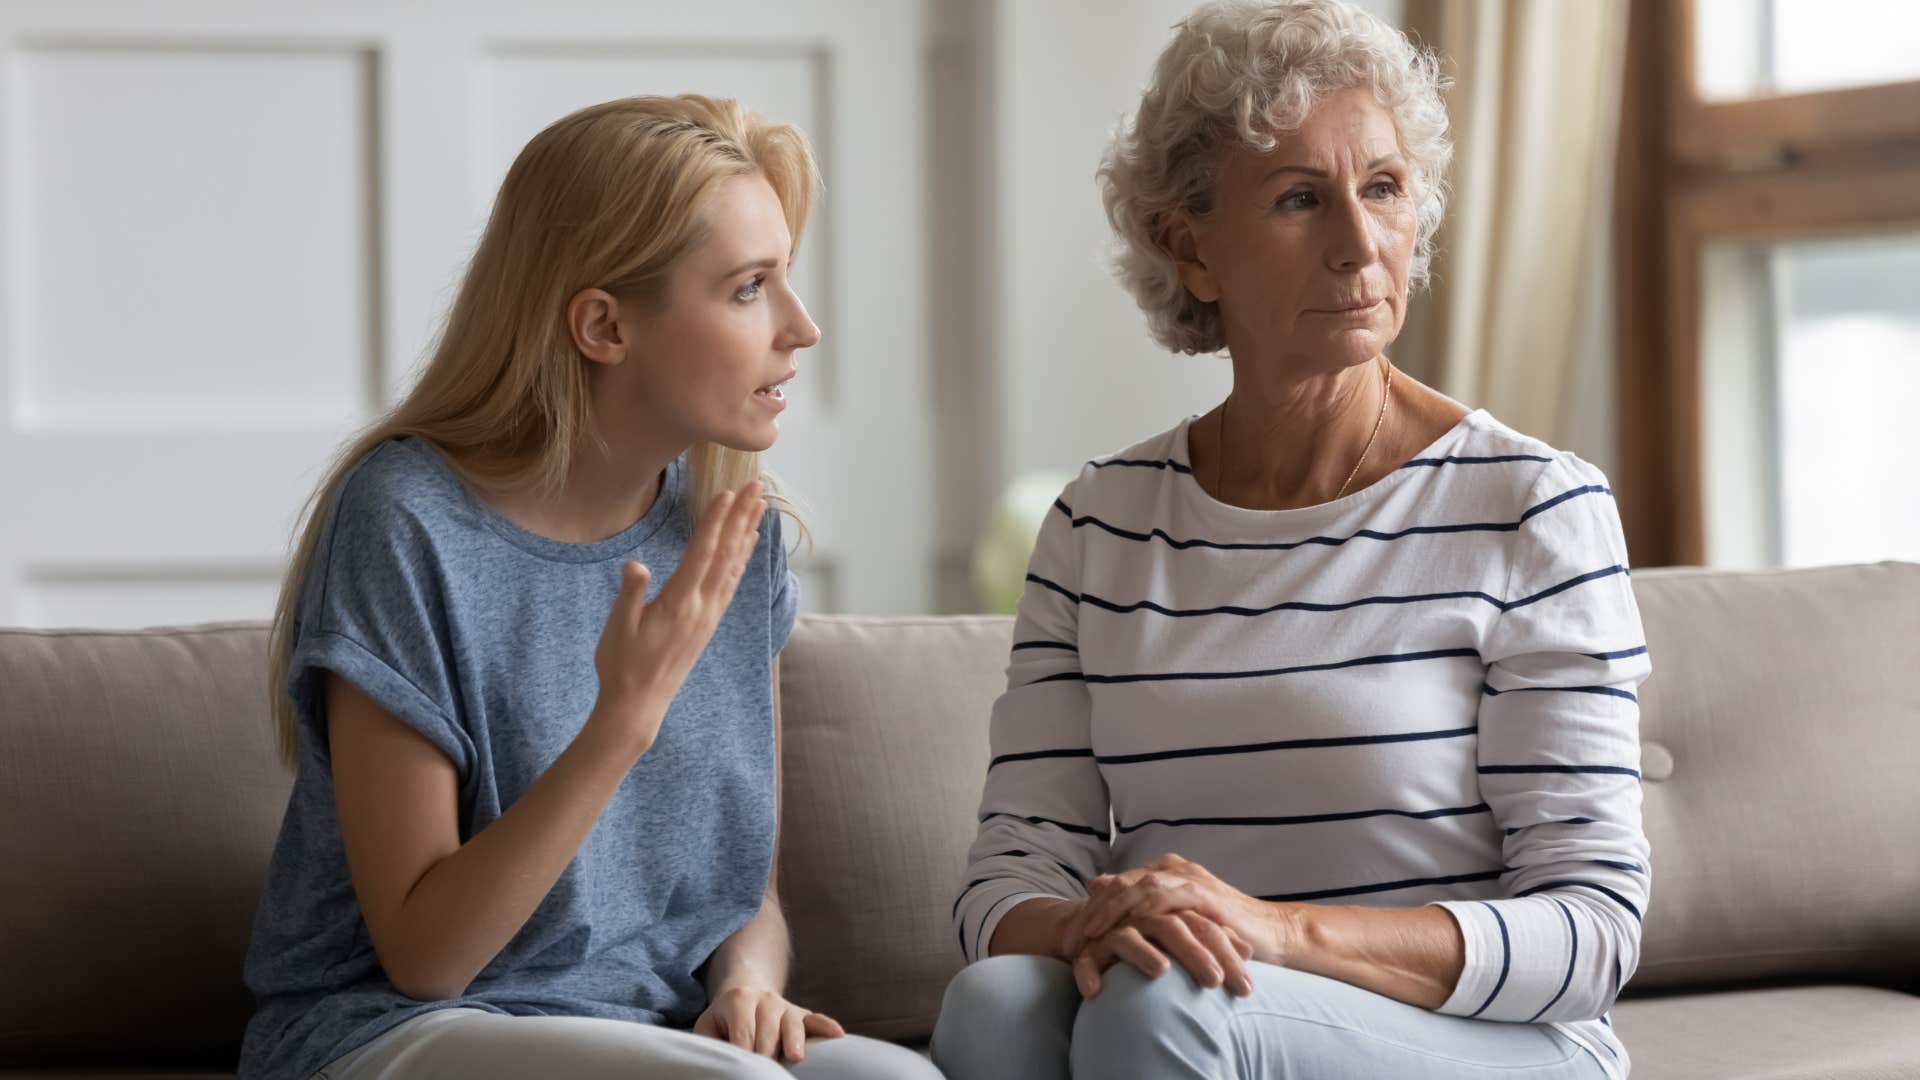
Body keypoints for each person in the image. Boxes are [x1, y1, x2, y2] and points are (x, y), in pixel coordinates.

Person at [935, 2, 1649, 1077]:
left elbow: (1593, 929)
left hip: (1497, 1044)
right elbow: (1004, 887)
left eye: (1384, 189)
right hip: (1186, 998)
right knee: (997, 1004)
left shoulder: (1533, 505)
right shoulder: (1100, 525)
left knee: (1161, 1008)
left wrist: (1268, 929)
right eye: (1300, 199)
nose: (1360, 245)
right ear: (1194, 249)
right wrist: (1096, 925)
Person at [238, 94, 939, 1080]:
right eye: (749, 288)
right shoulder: (404, 519)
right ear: (604, 325)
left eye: (788, 280)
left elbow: (747, 893)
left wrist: (745, 980)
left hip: (648, 1037)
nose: (804, 327)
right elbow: (426, 956)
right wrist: (623, 721)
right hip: (391, 1032)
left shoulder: (733, 535)